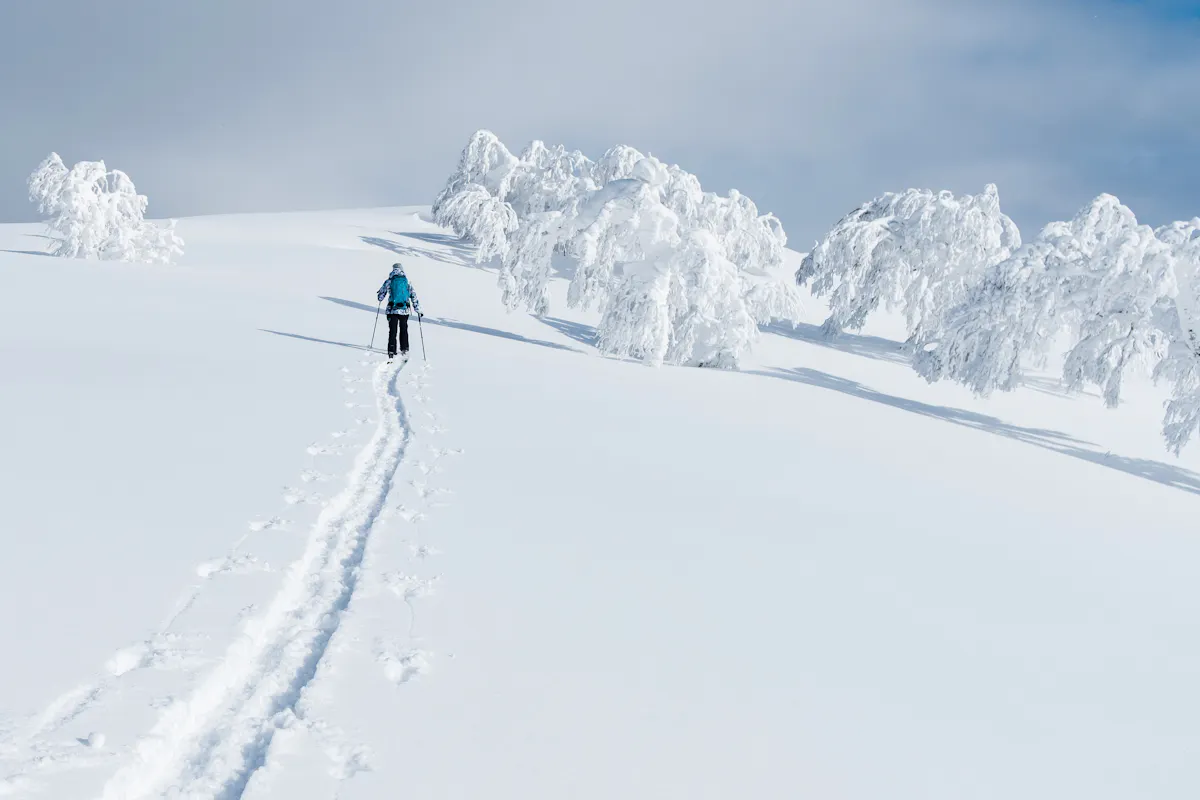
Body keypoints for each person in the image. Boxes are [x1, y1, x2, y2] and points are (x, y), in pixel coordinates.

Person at [376, 263, 421, 359]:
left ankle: (391, 350)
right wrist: (417, 309)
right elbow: (413, 296)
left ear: (393, 269)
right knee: (404, 329)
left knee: (393, 330)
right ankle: (405, 349)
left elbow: (380, 297)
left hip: (392, 310)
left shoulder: (389, 281)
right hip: (404, 310)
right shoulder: (406, 281)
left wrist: (380, 296)